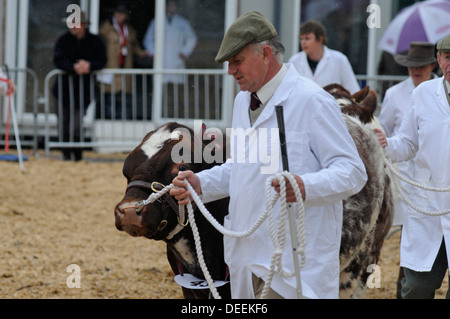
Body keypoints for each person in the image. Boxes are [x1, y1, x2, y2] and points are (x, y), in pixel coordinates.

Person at [170, 11, 367, 299]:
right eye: (228, 63)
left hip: (292, 261)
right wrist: (202, 184)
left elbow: (352, 171)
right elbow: (242, 167)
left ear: (265, 53)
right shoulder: (242, 101)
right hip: (246, 255)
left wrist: (304, 186)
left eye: (237, 61)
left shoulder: (311, 100)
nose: (230, 71)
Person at [375, 34, 450, 299]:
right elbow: (407, 143)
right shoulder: (423, 94)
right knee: (417, 287)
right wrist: (385, 145)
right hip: (427, 204)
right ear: (439, 60)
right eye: (447, 57)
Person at [379, 42, 438, 227]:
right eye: (411, 66)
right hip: (404, 173)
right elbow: (385, 129)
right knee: (407, 227)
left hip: (437, 173)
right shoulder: (394, 94)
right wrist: (383, 142)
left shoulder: (443, 92)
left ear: (432, 65)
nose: (415, 70)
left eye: (420, 66)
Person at [53, 12, 107, 161]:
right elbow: (58, 60)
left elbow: (102, 60)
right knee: (63, 123)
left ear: (83, 25)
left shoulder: (95, 41)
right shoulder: (64, 40)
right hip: (63, 90)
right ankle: (65, 154)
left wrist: (89, 65)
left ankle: (77, 154)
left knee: (76, 124)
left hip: (83, 90)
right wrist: (73, 67)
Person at [142, 0, 197, 114]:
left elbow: (192, 38)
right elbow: (148, 39)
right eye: (170, 5)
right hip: (161, 62)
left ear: (176, 7)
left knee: (176, 93)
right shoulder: (156, 21)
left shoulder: (182, 23)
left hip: (177, 61)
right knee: (160, 93)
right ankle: (159, 115)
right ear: (166, 6)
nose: (172, 7)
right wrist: (153, 53)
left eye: (174, 5)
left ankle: (175, 115)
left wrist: (185, 51)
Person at [98, 2, 150, 119]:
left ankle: (123, 118)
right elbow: (99, 45)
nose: (120, 17)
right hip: (111, 66)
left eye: (123, 14)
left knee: (124, 96)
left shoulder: (129, 30)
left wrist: (142, 53)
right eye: (118, 14)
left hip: (125, 66)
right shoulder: (105, 28)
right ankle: (110, 119)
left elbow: (134, 46)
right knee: (111, 95)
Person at [289, 20, 360, 94]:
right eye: (301, 39)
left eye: (307, 38)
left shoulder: (339, 60)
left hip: (332, 105)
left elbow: (353, 90)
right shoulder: (294, 61)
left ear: (320, 39)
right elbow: (289, 90)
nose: (303, 42)